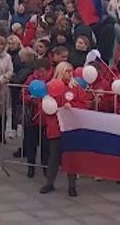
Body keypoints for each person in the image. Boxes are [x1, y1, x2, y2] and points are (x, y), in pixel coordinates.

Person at [38, 61, 89, 196]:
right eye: (67, 71)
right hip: (55, 126)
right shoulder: (51, 86)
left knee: (71, 156)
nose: (70, 73)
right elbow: (45, 106)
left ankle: (72, 186)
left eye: (71, 70)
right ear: (60, 72)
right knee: (54, 156)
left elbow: (84, 103)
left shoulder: (76, 87)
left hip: (71, 127)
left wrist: (72, 105)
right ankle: (49, 183)